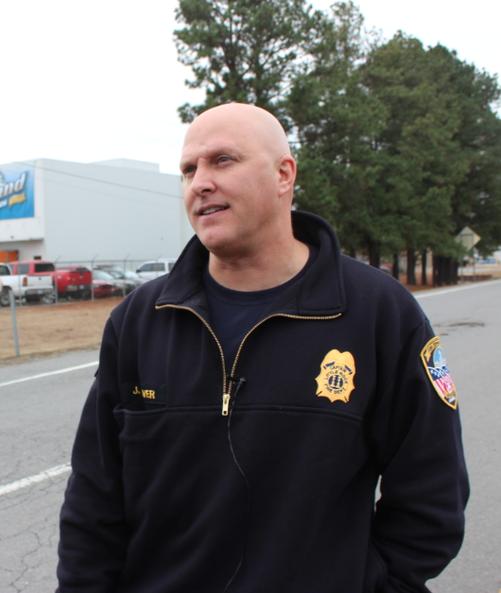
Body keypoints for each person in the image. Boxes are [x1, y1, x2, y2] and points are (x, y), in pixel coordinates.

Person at [55, 103, 469, 592]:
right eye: (189, 169)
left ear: (283, 175)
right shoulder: (141, 320)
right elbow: (94, 499)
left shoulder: (379, 314)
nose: (199, 183)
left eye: (222, 160)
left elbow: (431, 498)